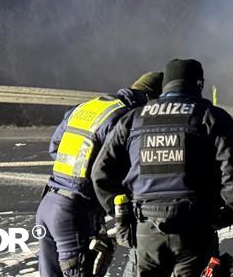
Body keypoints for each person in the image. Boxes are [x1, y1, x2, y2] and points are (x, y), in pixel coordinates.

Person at [91, 59, 233, 277]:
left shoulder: (133, 119)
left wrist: (122, 213)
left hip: (145, 229)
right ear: (199, 84)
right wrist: (226, 215)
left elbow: (101, 172)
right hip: (195, 228)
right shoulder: (210, 116)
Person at [35, 72, 162, 277]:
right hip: (76, 213)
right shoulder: (125, 117)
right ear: (150, 99)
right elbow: (117, 167)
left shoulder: (88, 107)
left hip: (49, 204)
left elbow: (55, 148)